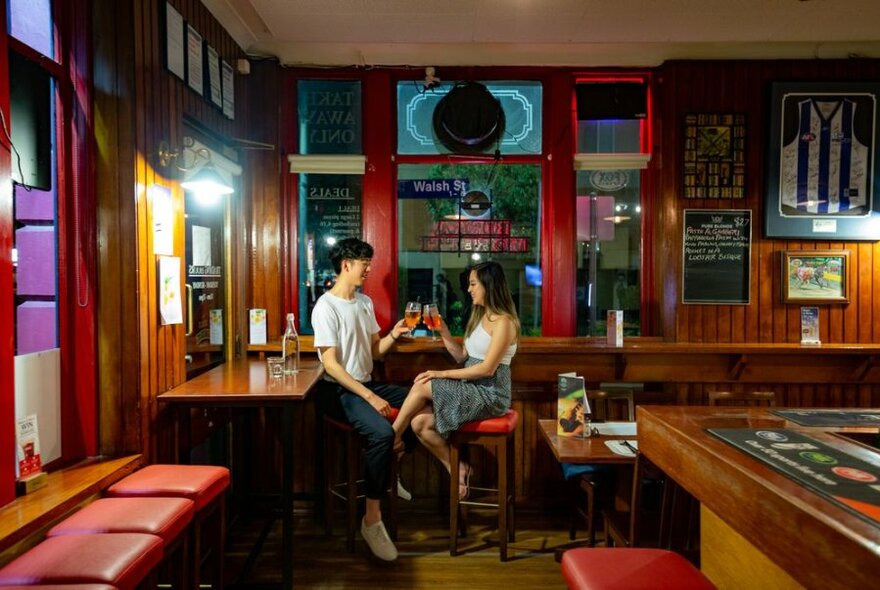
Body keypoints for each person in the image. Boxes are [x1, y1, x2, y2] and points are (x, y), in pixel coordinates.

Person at [311, 237, 416, 562]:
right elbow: (330, 365)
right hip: (339, 391)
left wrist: (393, 336)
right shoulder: (325, 307)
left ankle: (387, 471)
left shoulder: (365, 303)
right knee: (382, 433)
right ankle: (371, 520)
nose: (369, 269)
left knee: (423, 395)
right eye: (364, 263)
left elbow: (373, 351)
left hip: (367, 384)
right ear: (346, 265)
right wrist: (369, 396)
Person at [391, 261, 519, 499]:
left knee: (422, 385)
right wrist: (443, 330)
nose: (469, 289)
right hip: (472, 389)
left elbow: (487, 369)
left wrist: (440, 374)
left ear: (489, 286)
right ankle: (457, 466)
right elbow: (462, 357)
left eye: (473, 284)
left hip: (490, 394)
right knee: (420, 423)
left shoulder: (505, 322)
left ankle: (391, 439)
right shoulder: (481, 317)